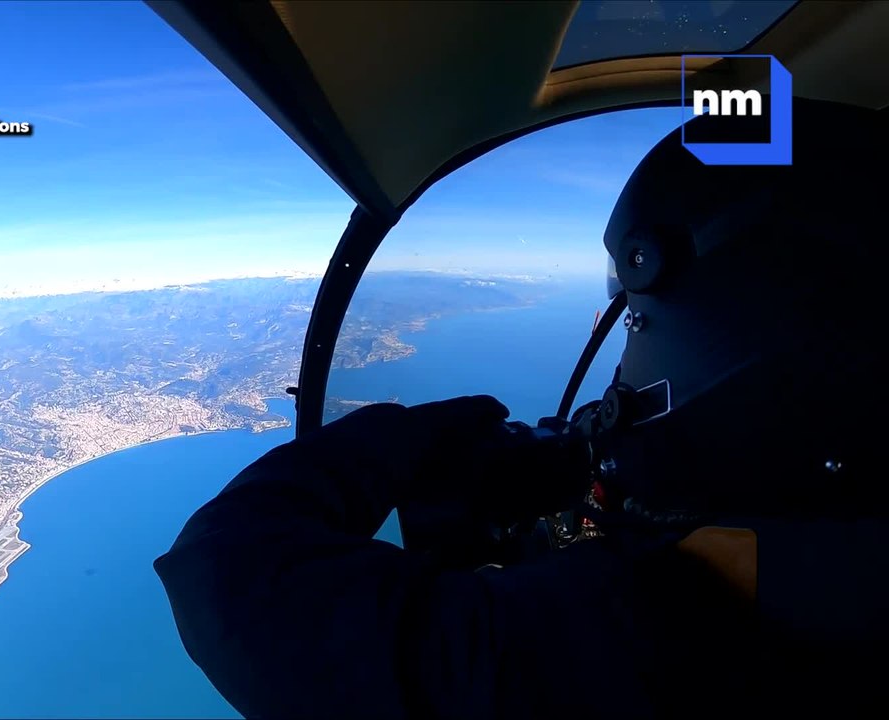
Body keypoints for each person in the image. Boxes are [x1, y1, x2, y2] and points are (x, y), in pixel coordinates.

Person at [154, 98, 889, 719]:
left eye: (634, 316)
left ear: (734, 321)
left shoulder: (655, 627)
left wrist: (437, 435)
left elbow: (223, 571)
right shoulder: (837, 573)